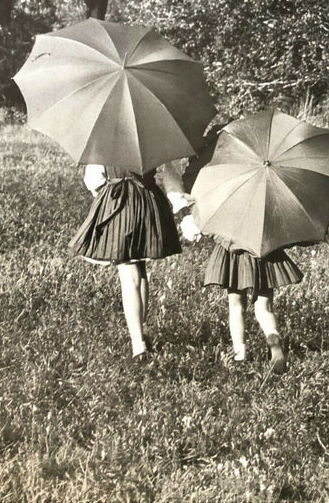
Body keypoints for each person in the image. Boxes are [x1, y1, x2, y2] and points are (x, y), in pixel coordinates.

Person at [180, 128, 303, 372]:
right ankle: (272, 336)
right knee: (264, 307)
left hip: (233, 252)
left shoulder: (225, 186)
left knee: (236, 305)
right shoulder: (271, 189)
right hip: (265, 250)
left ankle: (240, 353)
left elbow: (204, 218)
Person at [69, 162, 188, 361]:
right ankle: (139, 334)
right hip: (147, 200)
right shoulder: (152, 133)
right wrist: (181, 207)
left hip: (118, 202)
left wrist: (105, 191)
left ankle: (138, 343)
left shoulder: (106, 137)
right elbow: (171, 175)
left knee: (129, 273)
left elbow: (94, 178)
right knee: (139, 270)